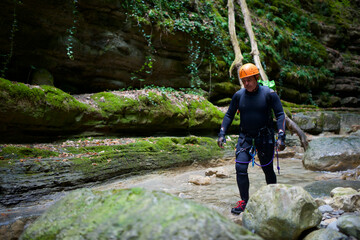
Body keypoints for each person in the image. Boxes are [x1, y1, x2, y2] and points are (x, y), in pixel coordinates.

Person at [217, 63, 286, 215]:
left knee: (268, 169)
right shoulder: (239, 95)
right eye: (243, 80)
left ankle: (273, 198)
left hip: (265, 137)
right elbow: (229, 115)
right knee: (240, 168)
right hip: (245, 138)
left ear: (256, 77)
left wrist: (281, 135)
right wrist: (222, 133)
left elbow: (280, 114)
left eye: (249, 80)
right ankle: (244, 202)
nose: (246, 83)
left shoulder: (269, 94)